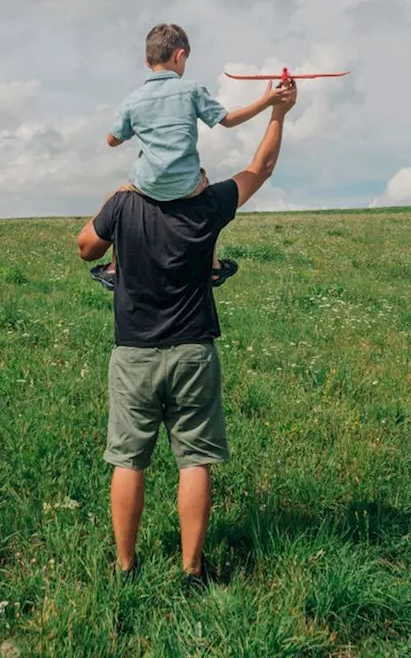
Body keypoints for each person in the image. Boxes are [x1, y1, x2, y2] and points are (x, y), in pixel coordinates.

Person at [75, 76, 299, 589]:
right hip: (193, 349)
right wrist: (279, 113)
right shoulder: (207, 205)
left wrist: (114, 202)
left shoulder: (124, 203)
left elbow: (86, 247)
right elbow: (259, 168)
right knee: (194, 461)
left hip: (133, 352)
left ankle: (125, 569)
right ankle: (192, 571)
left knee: (129, 462)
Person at [90, 23, 289, 290]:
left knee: (116, 201)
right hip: (188, 187)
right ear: (180, 55)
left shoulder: (133, 100)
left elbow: (112, 140)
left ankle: (114, 268)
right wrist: (268, 102)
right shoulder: (191, 90)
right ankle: (213, 265)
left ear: (147, 62)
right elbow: (228, 120)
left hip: (146, 185)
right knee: (207, 194)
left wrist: (126, 131)